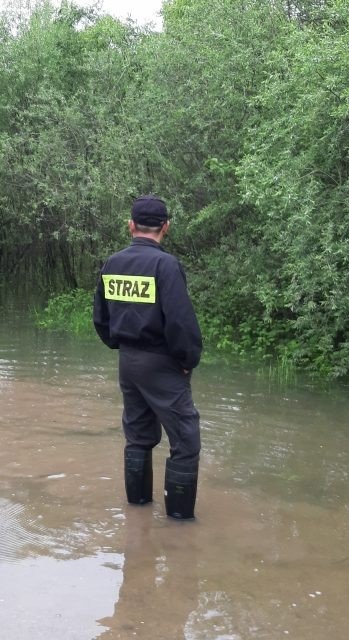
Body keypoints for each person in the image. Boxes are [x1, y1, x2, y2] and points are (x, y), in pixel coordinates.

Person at [92, 194, 202, 520]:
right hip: (162, 363)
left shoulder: (112, 263)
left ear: (131, 226)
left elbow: (101, 319)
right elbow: (181, 322)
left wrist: (121, 346)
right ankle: (181, 527)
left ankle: (137, 516)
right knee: (186, 440)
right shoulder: (165, 265)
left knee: (138, 437)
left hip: (129, 362)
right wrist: (187, 360)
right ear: (165, 227)